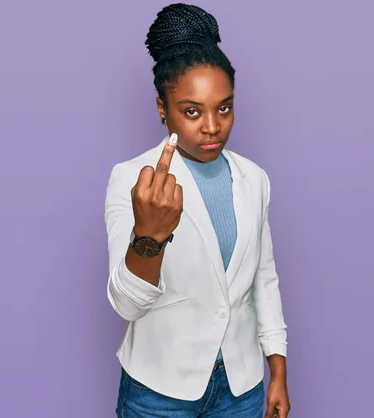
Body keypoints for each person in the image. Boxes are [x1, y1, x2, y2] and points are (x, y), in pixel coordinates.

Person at [104, 3, 290, 417]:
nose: (212, 126)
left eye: (223, 107)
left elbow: (264, 278)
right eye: (192, 111)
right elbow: (126, 305)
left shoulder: (254, 178)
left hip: (242, 388)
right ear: (162, 109)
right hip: (160, 390)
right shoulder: (133, 179)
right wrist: (150, 237)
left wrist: (276, 369)